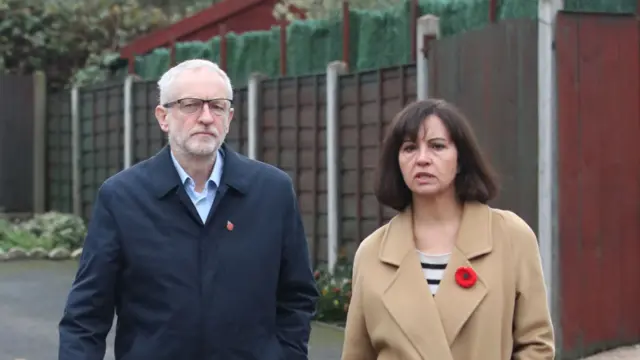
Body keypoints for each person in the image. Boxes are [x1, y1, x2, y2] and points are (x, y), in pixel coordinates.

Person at [58, 59, 319, 360]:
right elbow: (87, 313)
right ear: (163, 117)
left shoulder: (272, 192)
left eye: (217, 106)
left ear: (230, 117)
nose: (206, 117)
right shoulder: (123, 197)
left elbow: (297, 295)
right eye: (191, 105)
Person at [340, 99, 555, 360]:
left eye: (437, 146)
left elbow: (536, 345)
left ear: (461, 159)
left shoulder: (511, 237)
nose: (422, 159)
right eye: (409, 148)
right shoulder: (373, 253)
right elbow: (357, 354)